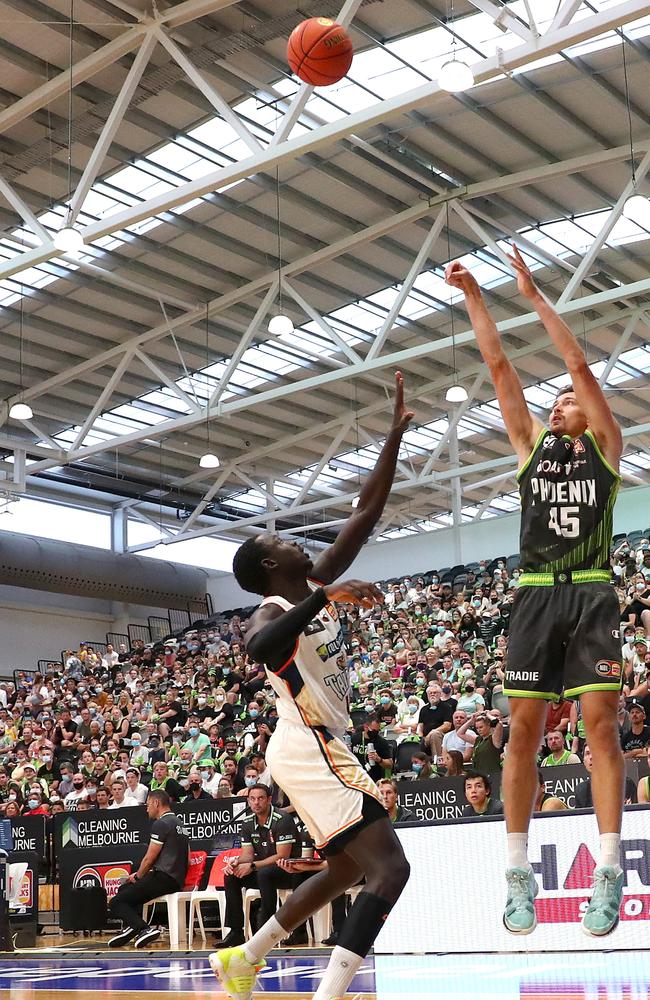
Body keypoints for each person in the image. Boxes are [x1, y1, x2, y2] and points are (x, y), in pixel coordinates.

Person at [210, 372, 413, 1000]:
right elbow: (256, 648)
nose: (296, 541)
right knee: (391, 868)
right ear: (271, 564)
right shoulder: (273, 608)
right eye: (280, 540)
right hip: (309, 743)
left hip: (316, 744)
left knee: (346, 868)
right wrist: (327, 594)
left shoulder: (314, 580)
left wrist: (394, 435)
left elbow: (366, 510)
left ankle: (246, 955)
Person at [447, 249, 625, 937]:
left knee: (600, 728)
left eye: (569, 399)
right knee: (522, 732)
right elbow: (499, 367)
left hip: (590, 594)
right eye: (553, 400)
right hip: (533, 596)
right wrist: (474, 296)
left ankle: (606, 871)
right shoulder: (529, 448)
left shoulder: (607, 447)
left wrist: (533, 296)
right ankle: (517, 872)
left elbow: (580, 366)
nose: (560, 402)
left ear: (589, 411)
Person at [108, 789, 189, 949]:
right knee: (126, 888)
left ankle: (143, 928)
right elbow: (188, 855)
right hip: (176, 878)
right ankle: (132, 927)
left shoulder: (161, 823)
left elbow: (149, 858)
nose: (146, 809)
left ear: (156, 803)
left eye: (147, 805)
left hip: (164, 877)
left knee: (116, 902)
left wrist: (138, 876)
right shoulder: (180, 824)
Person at [221, 784, 297, 946]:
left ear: (269, 800)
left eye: (260, 798)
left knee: (264, 873)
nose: (256, 803)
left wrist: (253, 866)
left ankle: (266, 926)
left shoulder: (282, 819)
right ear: (248, 801)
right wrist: (236, 862)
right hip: (264, 870)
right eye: (252, 799)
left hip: (289, 871)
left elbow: (282, 855)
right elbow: (247, 855)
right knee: (231, 876)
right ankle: (236, 931)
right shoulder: (248, 822)